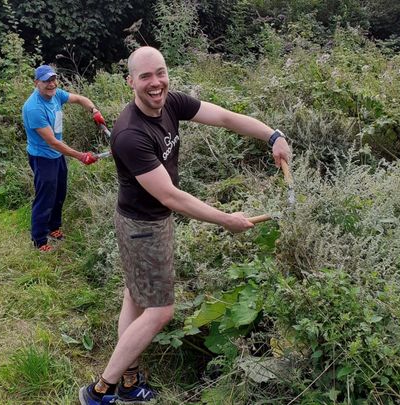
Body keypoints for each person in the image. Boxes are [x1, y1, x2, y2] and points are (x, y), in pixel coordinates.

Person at [79, 47, 292, 404]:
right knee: (160, 310)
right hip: (142, 227)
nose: (155, 82)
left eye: (160, 73)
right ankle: (101, 389)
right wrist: (226, 220)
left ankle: (129, 380)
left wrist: (272, 136)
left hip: (147, 223)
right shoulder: (130, 134)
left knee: (135, 296)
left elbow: (224, 117)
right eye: (145, 76)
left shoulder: (172, 103)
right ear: (130, 81)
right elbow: (171, 197)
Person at [22, 64, 107, 252]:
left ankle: (53, 228)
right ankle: (39, 240)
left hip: (57, 155)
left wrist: (94, 111)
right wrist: (80, 156)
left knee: (60, 192)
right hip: (42, 157)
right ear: (37, 83)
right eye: (46, 81)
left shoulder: (56, 94)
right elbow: (53, 142)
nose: (51, 84)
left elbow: (79, 98)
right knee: (45, 197)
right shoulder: (33, 109)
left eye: (53, 79)